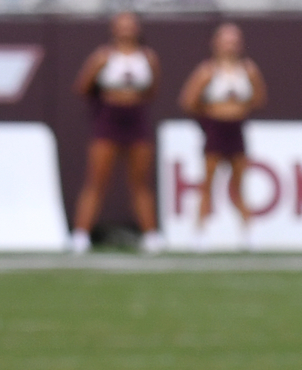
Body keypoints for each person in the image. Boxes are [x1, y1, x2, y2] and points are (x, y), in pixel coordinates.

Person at [71, 11, 163, 255]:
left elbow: (152, 89)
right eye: (121, 25)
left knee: (140, 181)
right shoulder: (103, 56)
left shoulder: (148, 57)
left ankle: (151, 236)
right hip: (108, 120)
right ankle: (80, 235)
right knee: (97, 180)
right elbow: (83, 86)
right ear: (113, 28)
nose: (126, 29)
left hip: (136, 120)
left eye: (130, 24)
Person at [178, 23, 266, 247]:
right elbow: (188, 100)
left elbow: (259, 98)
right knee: (208, 183)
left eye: (234, 40)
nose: (230, 45)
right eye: (226, 40)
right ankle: (199, 232)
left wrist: (239, 107)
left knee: (239, 184)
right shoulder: (207, 71)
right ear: (215, 43)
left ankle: (248, 233)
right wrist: (210, 114)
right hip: (215, 129)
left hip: (236, 129)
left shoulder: (248, 70)